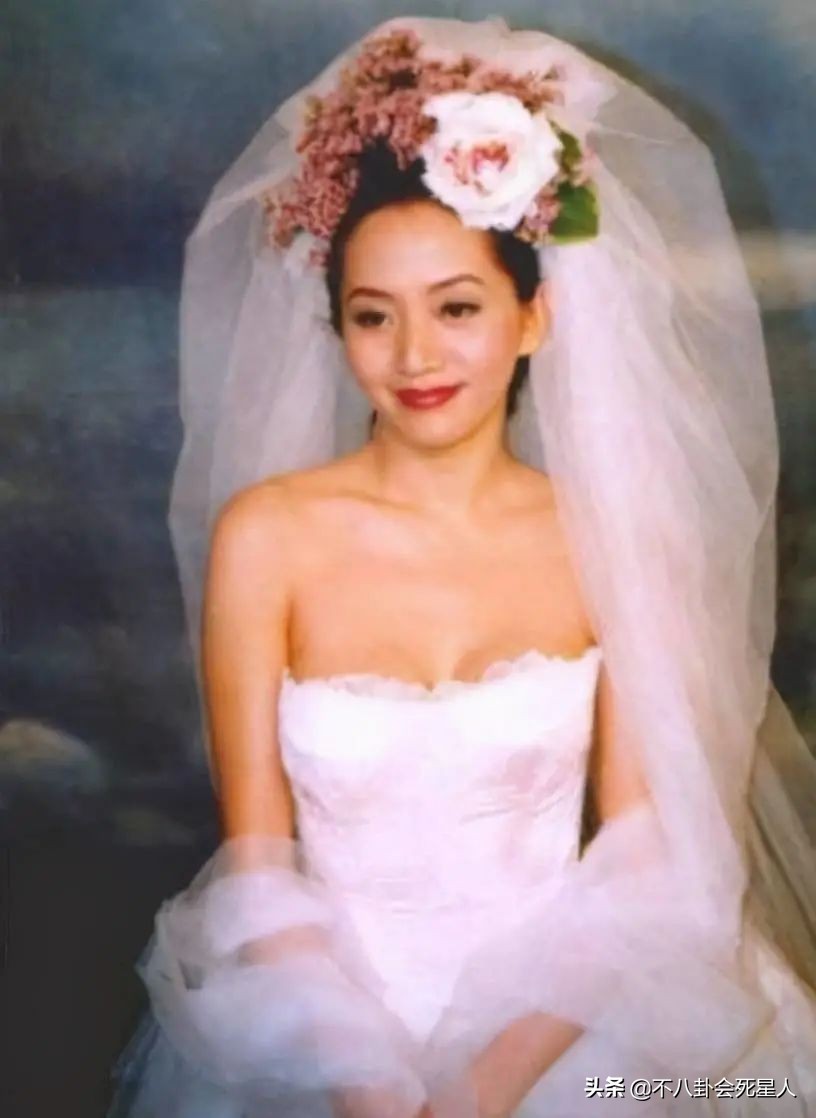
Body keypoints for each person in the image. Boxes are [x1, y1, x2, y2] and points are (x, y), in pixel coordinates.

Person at [107, 15, 816, 1117]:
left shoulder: (607, 538)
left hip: (574, 1037)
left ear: (532, 318)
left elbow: (641, 844)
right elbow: (258, 852)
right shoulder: (267, 537)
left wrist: (486, 1089)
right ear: (337, 330)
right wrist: (363, 1083)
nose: (416, 355)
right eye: (373, 316)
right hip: (319, 1041)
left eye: (457, 307)